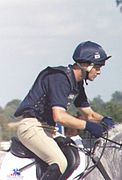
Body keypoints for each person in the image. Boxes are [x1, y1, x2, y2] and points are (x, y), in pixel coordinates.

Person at [14, 41, 114, 180]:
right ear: (86, 65)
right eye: (97, 67)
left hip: (48, 130)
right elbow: (59, 116)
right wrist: (88, 126)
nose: (99, 72)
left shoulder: (77, 84)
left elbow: (89, 114)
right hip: (32, 127)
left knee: (78, 155)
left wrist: (105, 121)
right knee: (60, 162)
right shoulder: (60, 78)